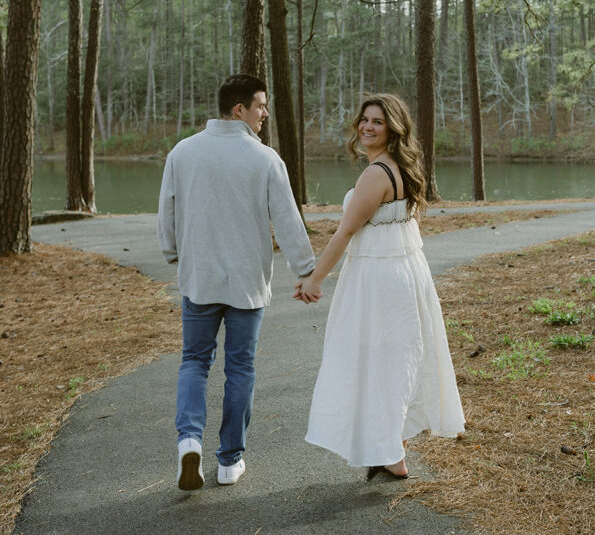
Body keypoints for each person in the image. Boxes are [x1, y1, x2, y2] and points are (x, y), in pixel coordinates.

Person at [158, 74, 318, 492]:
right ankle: (229, 461)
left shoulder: (183, 152)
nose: (265, 113)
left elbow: (167, 211)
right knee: (240, 368)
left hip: (200, 279)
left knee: (194, 361)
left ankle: (189, 441)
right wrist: (306, 270)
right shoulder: (265, 159)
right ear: (239, 110)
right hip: (246, 284)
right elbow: (287, 219)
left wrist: (174, 253)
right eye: (261, 106)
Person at [296, 93, 464, 479]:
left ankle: (391, 451)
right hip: (403, 271)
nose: (367, 127)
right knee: (397, 359)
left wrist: (315, 279)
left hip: (381, 279)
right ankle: (393, 450)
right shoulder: (403, 166)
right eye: (365, 120)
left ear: (393, 129)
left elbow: (345, 232)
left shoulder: (376, 174)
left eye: (378, 122)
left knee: (377, 360)